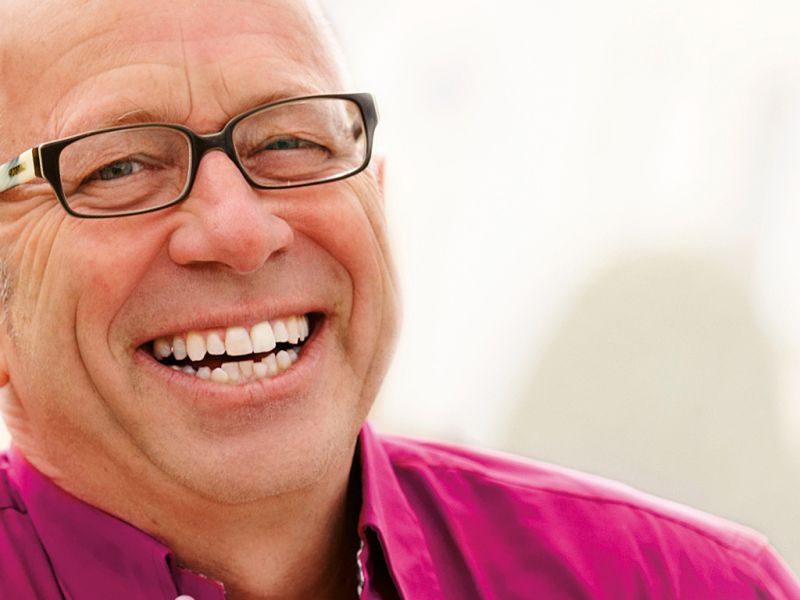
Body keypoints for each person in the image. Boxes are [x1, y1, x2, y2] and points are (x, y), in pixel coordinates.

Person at [0, 0, 797, 598]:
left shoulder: (685, 587)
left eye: (290, 142)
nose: (241, 232)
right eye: (117, 168)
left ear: (378, 200)